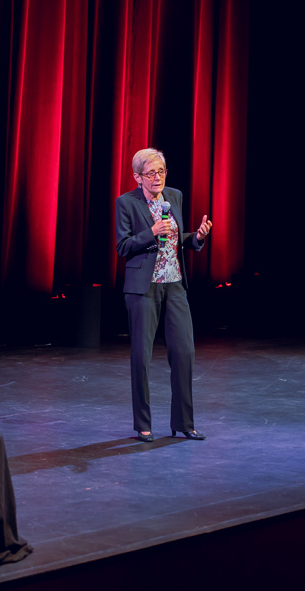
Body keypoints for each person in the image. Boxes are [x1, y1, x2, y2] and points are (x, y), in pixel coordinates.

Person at [115, 148, 213, 442]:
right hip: (143, 289)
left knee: (184, 353)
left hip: (174, 285)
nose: (157, 178)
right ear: (137, 177)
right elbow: (123, 246)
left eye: (161, 171)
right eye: (150, 173)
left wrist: (196, 238)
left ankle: (183, 423)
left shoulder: (175, 196)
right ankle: (143, 425)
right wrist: (151, 231)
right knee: (142, 358)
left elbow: (177, 239)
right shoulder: (126, 203)